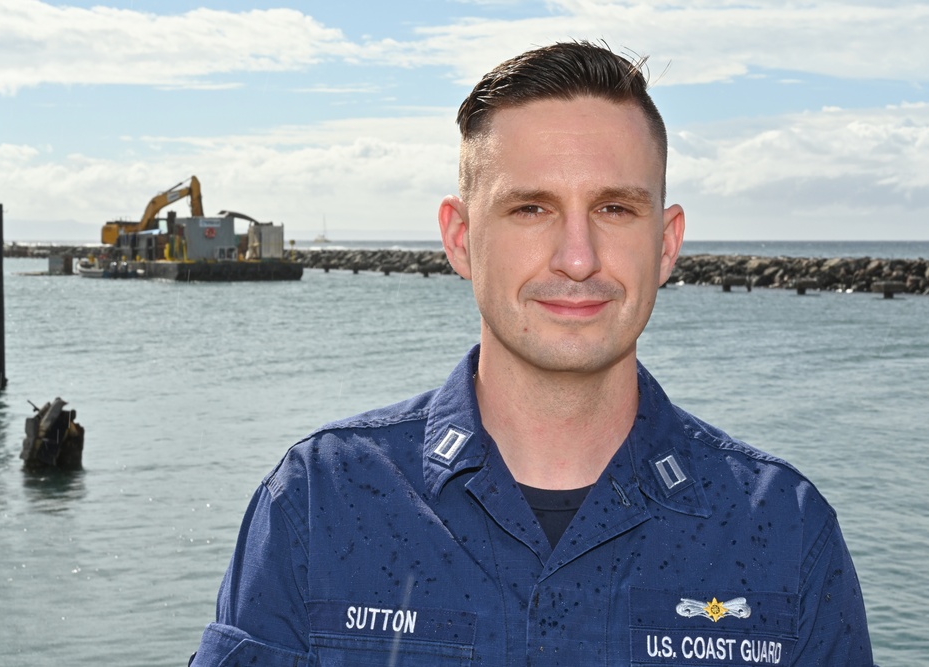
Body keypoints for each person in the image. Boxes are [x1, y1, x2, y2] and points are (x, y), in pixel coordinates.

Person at [190, 41, 875, 666]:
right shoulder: (322, 502)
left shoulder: (781, 530)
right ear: (459, 238)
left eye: (614, 209)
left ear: (666, 244)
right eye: (531, 209)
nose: (578, 258)